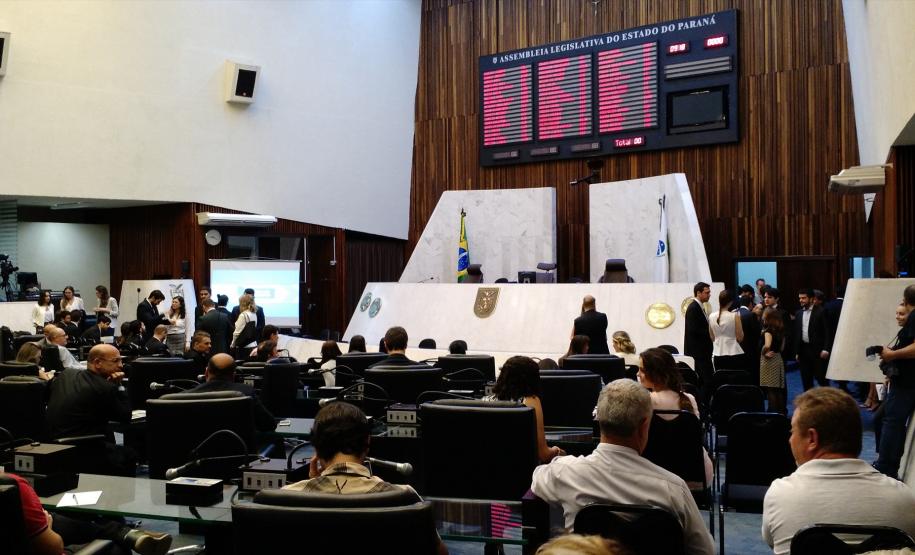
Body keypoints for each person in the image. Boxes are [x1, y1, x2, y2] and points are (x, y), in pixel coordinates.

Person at [530, 379, 714, 555]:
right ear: (644, 427)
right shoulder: (674, 489)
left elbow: (536, 479)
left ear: (598, 419)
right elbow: (705, 551)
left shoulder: (563, 472)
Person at [762, 388, 915, 555]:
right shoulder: (906, 499)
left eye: (793, 431)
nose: (790, 439)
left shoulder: (780, 494)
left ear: (812, 439)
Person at [281, 402, 449, 554]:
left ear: (316, 449)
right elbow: (439, 552)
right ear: (367, 443)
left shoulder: (286, 498)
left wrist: (311, 485)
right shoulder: (404, 497)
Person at [2, 469, 173, 555]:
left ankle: (123, 532)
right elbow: (53, 548)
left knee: (55, 518)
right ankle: (123, 534)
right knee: (115, 549)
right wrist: (47, 527)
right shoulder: (14, 487)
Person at [45, 344, 135, 476]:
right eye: (116, 361)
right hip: (81, 449)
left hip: (50, 444)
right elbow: (125, 417)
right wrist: (119, 386)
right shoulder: (105, 387)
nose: (121, 365)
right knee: (130, 454)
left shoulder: (65, 375)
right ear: (97, 363)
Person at [636, 348, 713, 485]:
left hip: (654, 475)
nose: (638, 373)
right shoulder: (689, 399)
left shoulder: (643, 402)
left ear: (655, 373)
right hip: (695, 473)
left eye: (641, 370)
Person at [485, 355, 565, 463]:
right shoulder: (531, 401)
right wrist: (557, 450)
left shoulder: (486, 401)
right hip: (522, 471)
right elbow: (543, 455)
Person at [875, 284, 915, 478]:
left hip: (908, 382)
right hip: (906, 380)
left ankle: (886, 466)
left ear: (907, 302)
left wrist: (892, 355)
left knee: (892, 422)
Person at [187, 353, 277, 432]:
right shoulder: (246, 392)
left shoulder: (186, 396)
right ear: (233, 375)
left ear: (206, 372)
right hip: (239, 450)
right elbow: (269, 425)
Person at [793, 288, 832, 390]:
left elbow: (828, 332)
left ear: (811, 299)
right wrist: (797, 352)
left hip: (818, 351)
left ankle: (828, 403)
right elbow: (797, 334)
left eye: (804, 298)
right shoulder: (798, 313)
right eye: (800, 298)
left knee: (822, 379)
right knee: (806, 380)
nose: (801, 300)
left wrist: (826, 349)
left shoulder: (822, 311)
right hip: (803, 351)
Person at [684, 282, 713, 399]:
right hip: (699, 353)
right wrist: (711, 334)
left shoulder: (699, 307)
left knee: (706, 381)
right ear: (698, 293)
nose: (709, 295)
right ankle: (702, 406)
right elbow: (694, 330)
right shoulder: (693, 308)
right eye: (707, 293)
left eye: (709, 292)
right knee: (706, 381)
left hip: (702, 352)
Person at [709, 289, 745, 372]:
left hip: (717, 353)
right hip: (734, 352)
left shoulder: (711, 316)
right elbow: (740, 337)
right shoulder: (734, 316)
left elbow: (712, 337)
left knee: (720, 380)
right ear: (731, 302)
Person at [760, 307, 787, 414]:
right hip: (778, 358)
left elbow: (767, 345)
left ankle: (773, 414)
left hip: (769, 360)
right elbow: (782, 348)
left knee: (771, 390)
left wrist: (763, 352)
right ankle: (780, 413)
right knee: (778, 389)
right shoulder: (781, 329)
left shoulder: (768, 330)